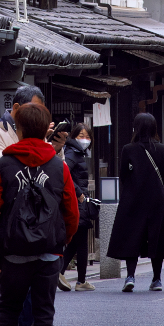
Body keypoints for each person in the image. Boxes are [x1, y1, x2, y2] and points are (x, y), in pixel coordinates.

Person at [0, 101, 79, 326]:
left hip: (13, 250)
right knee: (44, 313)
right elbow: (71, 211)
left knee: (9, 310)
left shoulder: (4, 165)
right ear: (45, 129)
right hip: (49, 251)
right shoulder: (59, 167)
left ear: (20, 129)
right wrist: (64, 240)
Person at [107, 111, 164, 292]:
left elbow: (123, 175)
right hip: (156, 199)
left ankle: (130, 276)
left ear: (136, 127)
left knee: (132, 236)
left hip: (133, 198)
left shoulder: (129, 149)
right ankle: (156, 279)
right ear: (154, 128)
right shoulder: (162, 149)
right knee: (156, 237)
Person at [0, 84, 67, 179]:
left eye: (40, 112)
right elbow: (8, 173)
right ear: (16, 108)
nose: (38, 117)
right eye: (33, 111)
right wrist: (39, 141)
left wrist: (56, 150)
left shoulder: (37, 132)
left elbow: (59, 175)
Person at [59, 123, 95, 291]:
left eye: (87, 136)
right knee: (81, 243)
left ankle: (62, 273)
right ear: (73, 136)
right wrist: (79, 192)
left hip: (78, 201)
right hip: (77, 201)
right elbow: (64, 172)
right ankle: (80, 281)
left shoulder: (77, 152)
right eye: (81, 136)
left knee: (76, 242)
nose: (85, 139)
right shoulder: (72, 153)